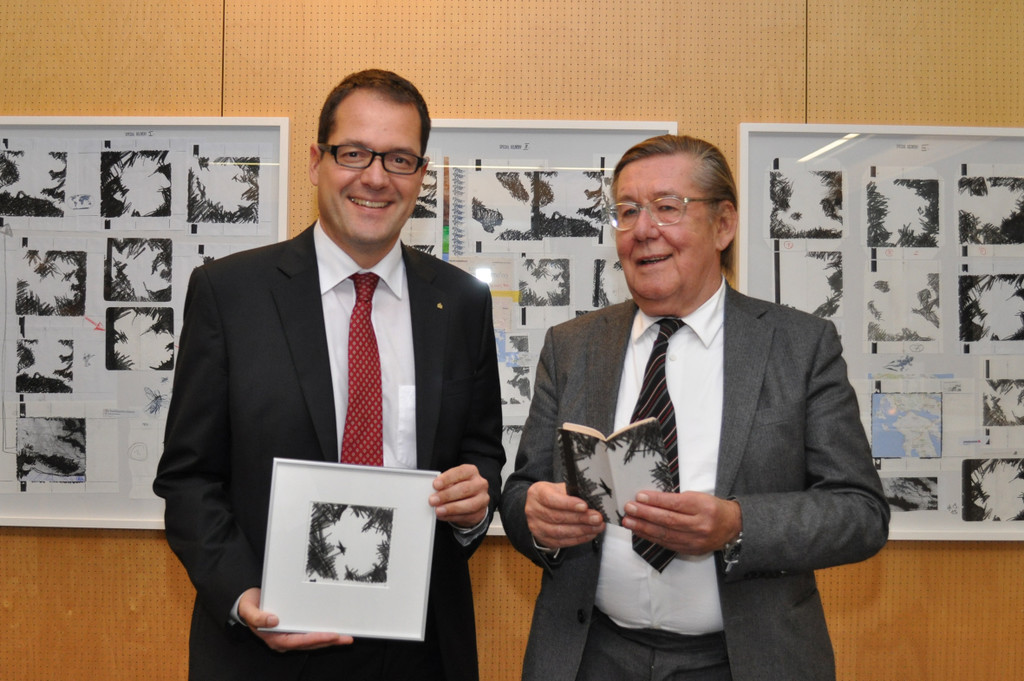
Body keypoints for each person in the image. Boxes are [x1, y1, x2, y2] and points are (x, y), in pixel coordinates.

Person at [154, 69, 504, 681]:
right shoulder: (229, 294)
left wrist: (475, 504)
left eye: (399, 159)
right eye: (354, 153)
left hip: (421, 650)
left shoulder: (461, 303)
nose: (376, 177)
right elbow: (189, 478)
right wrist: (243, 596)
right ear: (317, 162)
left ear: (421, 175)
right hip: (266, 645)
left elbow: (482, 451)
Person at [499, 134, 889, 681]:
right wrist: (537, 518)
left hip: (744, 660)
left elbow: (860, 513)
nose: (643, 229)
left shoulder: (800, 346)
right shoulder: (571, 346)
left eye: (667, 207)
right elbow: (522, 490)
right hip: (592, 654)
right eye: (627, 211)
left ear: (723, 225)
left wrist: (736, 525)